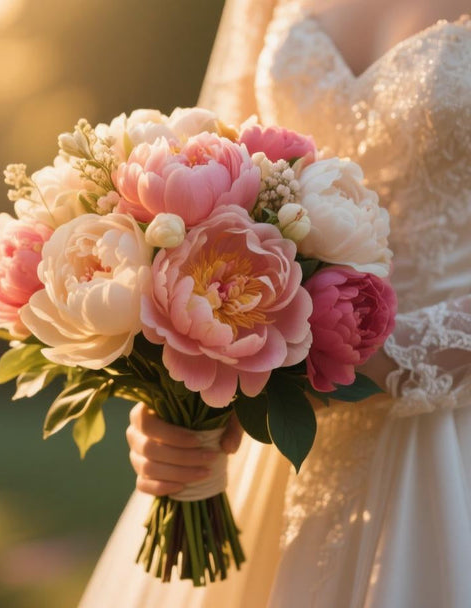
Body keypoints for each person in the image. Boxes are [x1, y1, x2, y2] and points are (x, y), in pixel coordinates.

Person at [79, 0, 470, 606]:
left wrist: (340, 359)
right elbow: (206, 170)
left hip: (442, 430)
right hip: (266, 410)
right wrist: (176, 405)